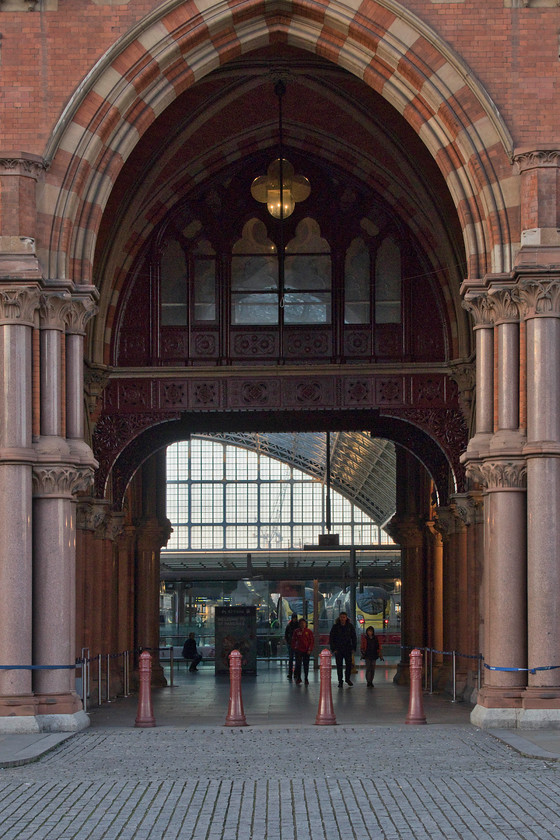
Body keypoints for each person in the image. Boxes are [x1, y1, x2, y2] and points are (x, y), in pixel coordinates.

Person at [329, 612, 357, 687]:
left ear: (346, 618)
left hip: (348, 648)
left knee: (348, 665)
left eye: (344, 617)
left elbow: (354, 637)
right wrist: (333, 649)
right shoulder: (335, 627)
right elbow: (331, 638)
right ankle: (340, 681)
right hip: (338, 649)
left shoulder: (350, 626)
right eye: (341, 617)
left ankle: (347, 678)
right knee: (339, 666)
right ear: (339, 618)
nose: (342, 619)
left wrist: (354, 647)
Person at [291, 618, 314, 685]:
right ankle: (299, 678)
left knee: (306, 665)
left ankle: (306, 678)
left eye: (304, 623)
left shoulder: (309, 631)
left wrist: (310, 649)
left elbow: (311, 641)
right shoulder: (296, 631)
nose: (302, 625)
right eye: (301, 623)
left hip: (306, 651)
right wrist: (294, 647)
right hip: (298, 650)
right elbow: (293, 640)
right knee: (298, 665)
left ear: (306, 624)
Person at [284, 613, 299, 679]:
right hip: (294, 643)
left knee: (291, 658)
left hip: (292, 644)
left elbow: (286, 634)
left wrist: (288, 641)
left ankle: (291, 673)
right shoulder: (298, 626)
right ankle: (294, 673)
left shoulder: (289, 625)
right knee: (295, 658)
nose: (294, 619)